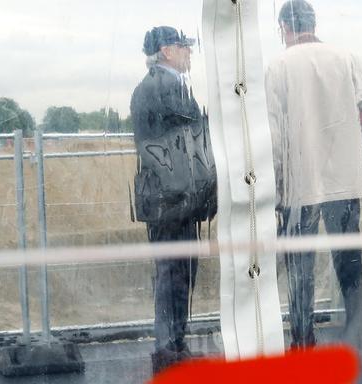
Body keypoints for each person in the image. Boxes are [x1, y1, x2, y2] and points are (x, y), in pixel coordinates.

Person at [265, 0, 362, 353]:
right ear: (313, 23)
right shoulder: (345, 58)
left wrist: (275, 183)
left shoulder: (278, 66)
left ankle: (302, 339)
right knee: (349, 261)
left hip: (299, 183)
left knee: (300, 266)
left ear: (284, 29)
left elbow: (274, 137)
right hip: (344, 179)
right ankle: (356, 334)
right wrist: (354, 137)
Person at [130, 26, 217, 373]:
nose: (190, 53)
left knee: (177, 272)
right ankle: (168, 352)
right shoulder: (165, 87)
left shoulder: (154, 85)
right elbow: (189, 140)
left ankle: (173, 347)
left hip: (169, 198)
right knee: (173, 274)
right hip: (173, 199)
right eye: (184, 46)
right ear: (167, 51)